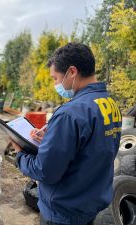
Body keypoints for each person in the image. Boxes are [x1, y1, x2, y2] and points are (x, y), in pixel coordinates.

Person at [10, 42, 122, 225]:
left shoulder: (70, 113)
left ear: (71, 72)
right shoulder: (109, 104)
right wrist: (54, 139)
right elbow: (94, 148)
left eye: (55, 78)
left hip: (64, 212)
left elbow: (45, 171)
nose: (55, 84)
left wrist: (20, 155)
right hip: (90, 204)